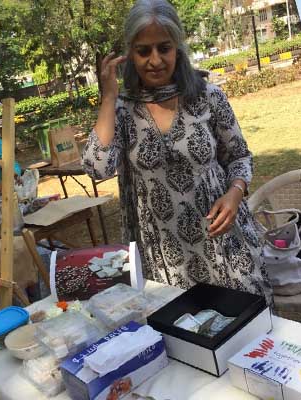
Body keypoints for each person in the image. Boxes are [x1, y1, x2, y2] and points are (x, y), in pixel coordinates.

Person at [82, 0, 272, 303]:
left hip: (224, 247)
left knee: (242, 335)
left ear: (177, 48)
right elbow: (97, 167)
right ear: (130, 53)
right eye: (143, 51)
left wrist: (235, 193)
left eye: (164, 48)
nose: (155, 60)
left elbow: (239, 156)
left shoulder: (207, 97)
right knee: (186, 341)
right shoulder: (122, 111)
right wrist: (108, 98)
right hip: (165, 262)